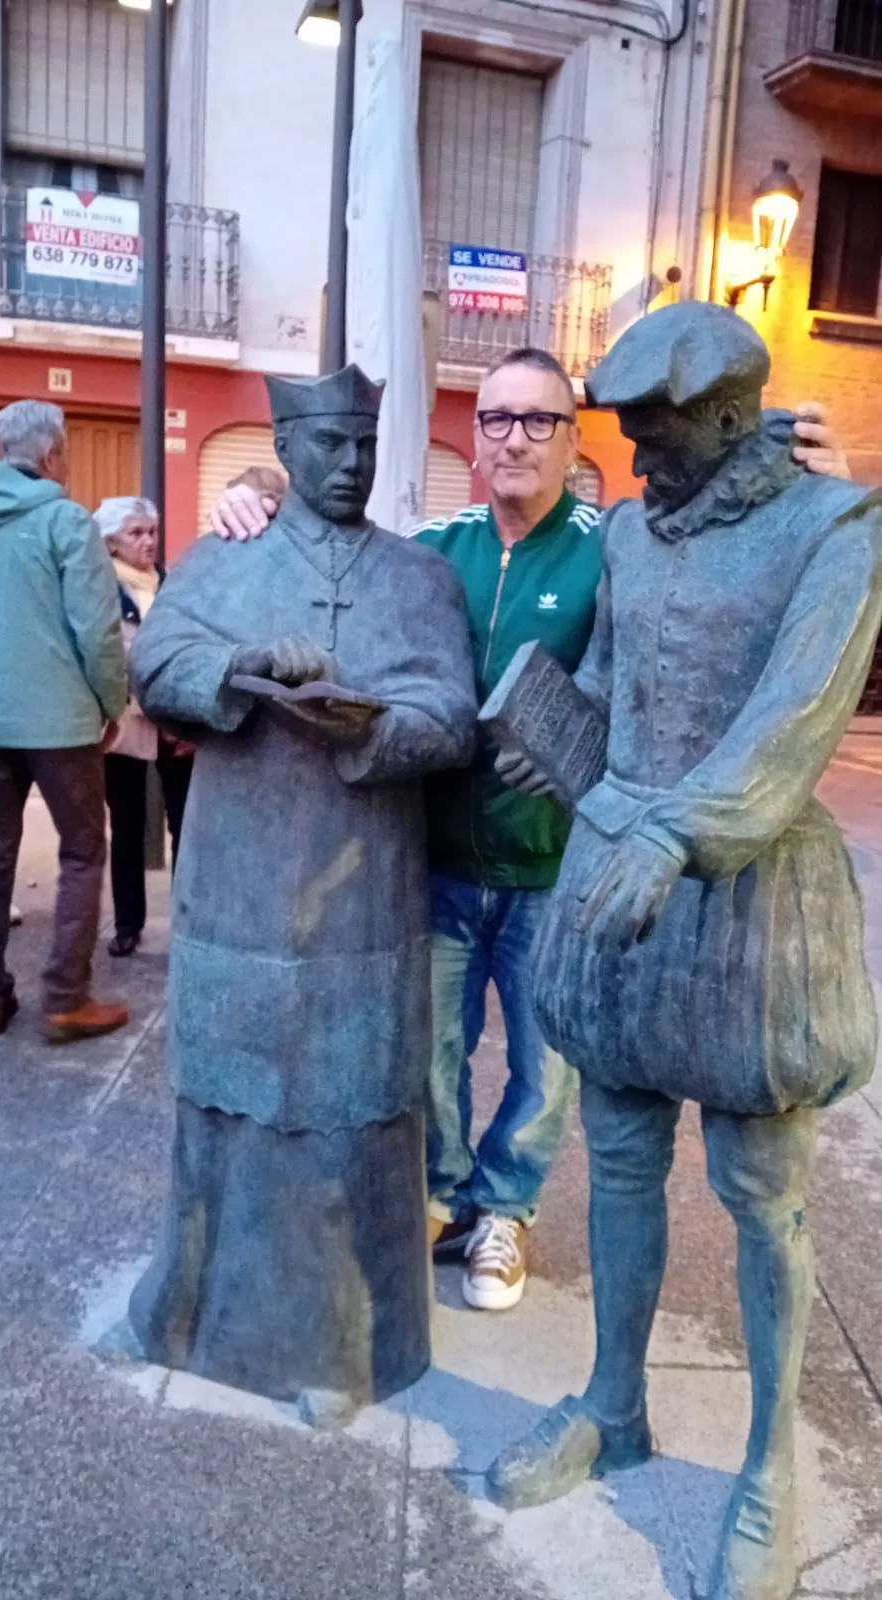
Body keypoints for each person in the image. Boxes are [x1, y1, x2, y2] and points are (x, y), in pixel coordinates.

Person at [210, 366, 851, 1316]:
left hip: (560, 865)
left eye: (539, 419)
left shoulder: (618, 548)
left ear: (570, 439)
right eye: (496, 417)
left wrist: (822, 490)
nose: (514, 436)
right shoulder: (430, 549)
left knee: (546, 1065)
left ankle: (506, 1207)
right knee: (427, 1050)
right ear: (474, 434)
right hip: (431, 859)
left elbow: (745, 584)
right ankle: (441, 1193)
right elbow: (324, 568)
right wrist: (252, 502)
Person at [484, 304, 882, 1600]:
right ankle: (613, 1400)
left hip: (750, 896)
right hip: (621, 881)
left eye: (659, 443)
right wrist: (544, 720)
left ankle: (772, 1464)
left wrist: (680, 834)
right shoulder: (640, 541)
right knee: (619, 1157)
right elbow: (610, 683)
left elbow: (792, 722)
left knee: (764, 1190)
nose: (639, 470)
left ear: (730, 418)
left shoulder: (836, 530)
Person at [119, 366, 477, 1422]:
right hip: (238, 880)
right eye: (328, 446)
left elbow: (452, 713)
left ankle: (346, 1347)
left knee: (351, 1111)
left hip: (363, 886)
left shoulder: (419, 578)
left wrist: (372, 724)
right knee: (225, 1100)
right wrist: (240, 669)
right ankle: (197, 1314)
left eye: (364, 447)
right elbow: (157, 666)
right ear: (285, 446)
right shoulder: (226, 555)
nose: (351, 464)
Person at [0, 401, 129, 1043]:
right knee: (81, 850)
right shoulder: (67, 521)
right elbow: (98, 631)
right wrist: (111, 704)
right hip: (61, 722)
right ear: (50, 457)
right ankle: (66, 1000)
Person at [94, 496, 195, 958]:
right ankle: (128, 924)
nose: (148, 541)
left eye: (151, 531)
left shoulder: (172, 584)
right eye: (136, 533)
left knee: (185, 824)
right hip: (125, 723)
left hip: (174, 724)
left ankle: (189, 921)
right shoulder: (98, 586)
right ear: (112, 543)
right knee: (129, 827)